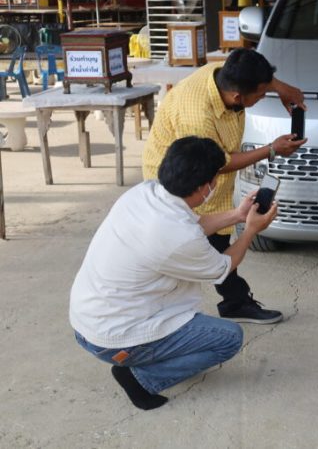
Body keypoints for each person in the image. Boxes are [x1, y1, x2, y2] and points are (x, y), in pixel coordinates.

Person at [71, 137, 279, 410]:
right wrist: (251, 230)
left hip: (87, 322)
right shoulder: (178, 236)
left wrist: (239, 216)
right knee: (229, 338)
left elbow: (192, 227)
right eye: (216, 177)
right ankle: (140, 377)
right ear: (206, 186)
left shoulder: (144, 193)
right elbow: (224, 267)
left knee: (194, 321)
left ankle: (142, 359)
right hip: (114, 340)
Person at [142, 48, 306, 324]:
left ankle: (234, 300)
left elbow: (250, 67)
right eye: (262, 93)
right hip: (182, 180)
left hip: (209, 183)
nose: (265, 96)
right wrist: (272, 149)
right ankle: (230, 302)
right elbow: (217, 163)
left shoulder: (222, 73)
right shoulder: (197, 113)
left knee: (214, 239)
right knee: (207, 248)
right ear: (239, 97)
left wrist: (281, 87)